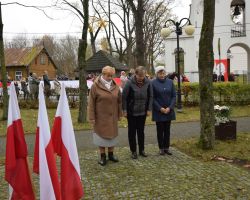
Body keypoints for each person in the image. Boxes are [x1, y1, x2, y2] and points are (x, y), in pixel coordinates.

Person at [88, 66, 122, 166]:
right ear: (103, 74)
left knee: (112, 136)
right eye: (108, 75)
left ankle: (111, 154)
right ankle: (103, 156)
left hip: (113, 117)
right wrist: (91, 117)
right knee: (101, 136)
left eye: (112, 75)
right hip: (100, 117)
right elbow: (91, 103)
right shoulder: (95, 86)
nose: (110, 78)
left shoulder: (116, 86)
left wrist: (120, 114)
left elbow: (119, 101)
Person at [122, 66, 153, 159]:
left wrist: (149, 109)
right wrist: (124, 110)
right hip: (131, 112)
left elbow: (151, 96)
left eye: (143, 76)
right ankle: (133, 151)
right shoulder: (129, 82)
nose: (141, 78)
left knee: (141, 132)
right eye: (139, 76)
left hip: (142, 111)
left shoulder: (148, 82)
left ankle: (142, 150)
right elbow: (124, 97)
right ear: (135, 74)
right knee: (132, 132)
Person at [152, 66, 176, 155]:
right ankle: (161, 148)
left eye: (163, 73)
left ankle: (167, 147)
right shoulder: (153, 83)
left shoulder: (170, 82)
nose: (162, 75)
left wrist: (170, 107)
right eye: (160, 73)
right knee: (160, 130)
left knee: (167, 130)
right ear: (157, 74)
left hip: (169, 110)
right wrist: (160, 108)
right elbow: (152, 98)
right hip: (159, 111)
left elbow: (174, 96)